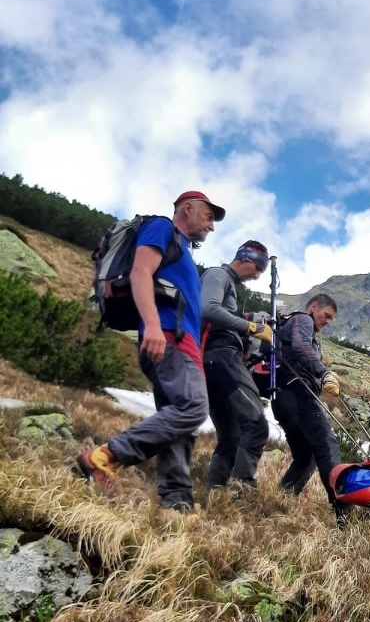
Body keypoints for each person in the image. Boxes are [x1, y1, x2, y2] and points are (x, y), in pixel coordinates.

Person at [75, 190, 224, 511]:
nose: (212, 226)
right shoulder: (161, 228)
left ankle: (176, 503)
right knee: (193, 409)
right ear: (188, 208)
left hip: (180, 344)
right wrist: (153, 325)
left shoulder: (182, 251)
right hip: (169, 338)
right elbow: (140, 272)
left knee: (179, 427)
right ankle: (105, 458)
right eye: (209, 216)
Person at [201, 241, 273, 491]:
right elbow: (207, 309)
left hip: (213, 361)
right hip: (222, 357)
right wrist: (251, 327)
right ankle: (243, 490)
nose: (258, 274)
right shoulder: (217, 275)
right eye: (258, 267)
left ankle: (215, 490)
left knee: (231, 435)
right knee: (256, 425)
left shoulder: (227, 282)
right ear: (245, 258)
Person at [271, 295, 343, 511]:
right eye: (326, 315)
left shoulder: (292, 322)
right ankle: (344, 513)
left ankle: (281, 502)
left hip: (282, 398)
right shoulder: (303, 320)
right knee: (327, 446)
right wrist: (323, 372)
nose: (327, 321)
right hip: (297, 392)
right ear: (313, 307)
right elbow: (302, 346)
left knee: (306, 456)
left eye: (331, 319)